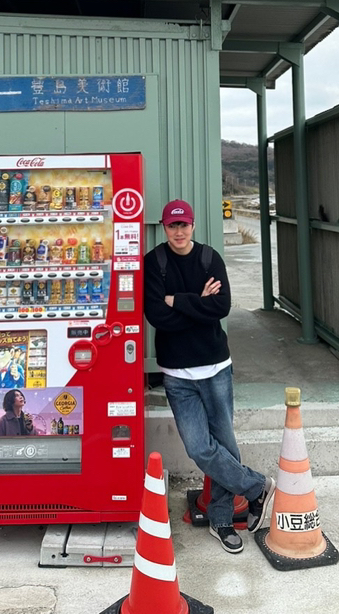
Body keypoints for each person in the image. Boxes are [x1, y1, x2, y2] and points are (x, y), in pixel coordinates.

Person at [143, 198, 275, 554]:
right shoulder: (153, 263)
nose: (179, 231)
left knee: (225, 444)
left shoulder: (209, 258)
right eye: (173, 226)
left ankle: (221, 519)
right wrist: (196, 302)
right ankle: (257, 486)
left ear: (193, 225)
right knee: (200, 447)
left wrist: (178, 300)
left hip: (216, 366)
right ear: (164, 227)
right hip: (176, 372)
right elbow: (157, 316)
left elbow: (220, 307)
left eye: (184, 225)